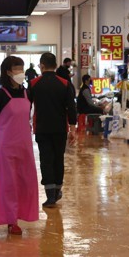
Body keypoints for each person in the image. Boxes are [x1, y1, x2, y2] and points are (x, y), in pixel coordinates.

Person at [0, 56, 39, 235]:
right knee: (8, 183)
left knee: (26, 181)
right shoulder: (1, 95)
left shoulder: (27, 92)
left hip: (24, 145)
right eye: (17, 69)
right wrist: (5, 129)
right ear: (8, 72)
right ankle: (10, 220)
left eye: (21, 68)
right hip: (7, 145)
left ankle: (24, 214)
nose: (20, 72)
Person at [30, 53, 77, 208]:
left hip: (42, 128)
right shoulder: (64, 83)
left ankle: (50, 196)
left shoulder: (34, 83)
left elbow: (26, 106)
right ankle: (56, 191)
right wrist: (72, 128)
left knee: (46, 160)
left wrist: (25, 124)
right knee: (58, 159)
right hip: (59, 129)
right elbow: (71, 107)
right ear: (56, 66)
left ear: (42, 65)